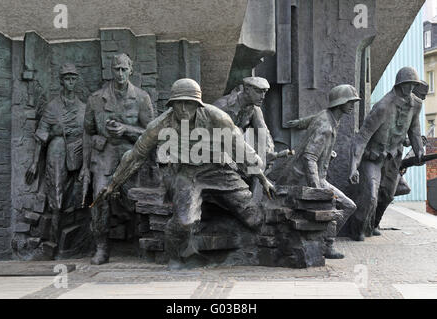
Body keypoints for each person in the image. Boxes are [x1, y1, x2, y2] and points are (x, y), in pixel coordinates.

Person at [93, 78, 276, 264]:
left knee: (254, 217)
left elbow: (241, 148)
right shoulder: (160, 125)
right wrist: (113, 184)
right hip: (183, 173)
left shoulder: (217, 117)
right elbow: (135, 156)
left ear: (197, 104)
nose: (183, 109)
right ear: (172, 104)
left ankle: (224, 238)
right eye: (178, 103)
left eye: (188, 103)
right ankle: (175, 256)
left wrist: (262, 178)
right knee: (185, 222)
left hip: (216, 170)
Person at [79, 53, 154, 265]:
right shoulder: (95, 99)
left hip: (131, 157)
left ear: (131, 70)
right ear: (111, 70)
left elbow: (151, 132)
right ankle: (102, 247)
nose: (120, 73)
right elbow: (87, 132)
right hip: (104, 157)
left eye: (124, 69)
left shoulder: (141, 97)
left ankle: (142, 243)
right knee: (99, 199)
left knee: (137, 199)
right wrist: (85, 167)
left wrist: (126, 129)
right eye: (116, 69)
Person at [269, 85, 359, 259]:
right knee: (346, 205)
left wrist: (297, 124)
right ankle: (327, 245)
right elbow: (309, 158)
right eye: (349, 102)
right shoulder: (325, 127)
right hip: (305, 178)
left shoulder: (328, 117)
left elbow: (310, 120)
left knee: (344, 205)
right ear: (339, 103)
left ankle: (324, 241)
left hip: (310, 175)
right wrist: (317, 190)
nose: (352, 105)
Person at [347, 67, 425, 241]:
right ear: (399, 85)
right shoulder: (383, 106)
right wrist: (353, 167)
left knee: (388, 195)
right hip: (373, 157)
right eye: (407, 84)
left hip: (393, 158)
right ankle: (356, 229)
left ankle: (373, 224)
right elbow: (361, 138)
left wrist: (419, 150)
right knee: (371, 195)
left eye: (413, 84)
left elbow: (414, 131)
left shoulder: (416, 105)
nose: (410, 88)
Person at [25, 63, 85, 253]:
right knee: (56, 191)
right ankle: (55, 240)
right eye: (67, 79)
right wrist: (34, 163)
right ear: (61, 81)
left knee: (79, 192)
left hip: (78, 153)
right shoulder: (53, 107)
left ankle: (76, 238)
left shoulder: (83, 107)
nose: (70, 82)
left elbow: (89, 134)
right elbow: (41, 135)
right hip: (57, 151)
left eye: (73, 78)